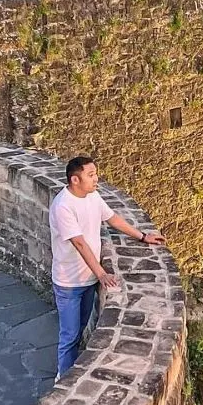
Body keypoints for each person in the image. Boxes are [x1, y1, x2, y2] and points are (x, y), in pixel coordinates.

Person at [48, 155, 166, 381]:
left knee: (80, 328)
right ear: (75, 179)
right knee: (70, 335)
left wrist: (143, 236)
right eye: (91, 175)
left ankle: (71, 372)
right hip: (69, 281)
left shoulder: (93, 196)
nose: (96, 179)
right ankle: (63, 379)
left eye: (95, 174)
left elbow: (113, 219)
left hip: (88, 279)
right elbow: (79, 243)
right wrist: (101, 273)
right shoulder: (63, 206)